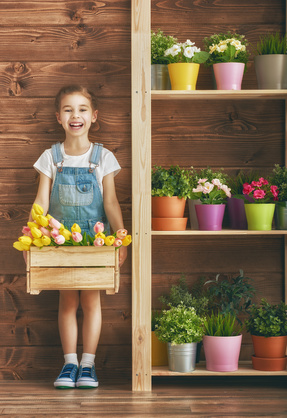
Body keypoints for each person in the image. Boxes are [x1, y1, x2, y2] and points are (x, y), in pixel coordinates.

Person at [29, 85, 127, 389]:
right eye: (69, 109)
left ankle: (88, 366)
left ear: (94, 116)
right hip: (60, 241)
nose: (76, 115)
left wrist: (120, 236)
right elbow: (42, 201)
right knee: (68, 300)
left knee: (92, 300)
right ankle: (69, 363)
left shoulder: (103, 157)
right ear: (59, 117)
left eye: (82, 109)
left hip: (96, 243)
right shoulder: (50, 157)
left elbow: (110, 201)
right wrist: (33, 234)